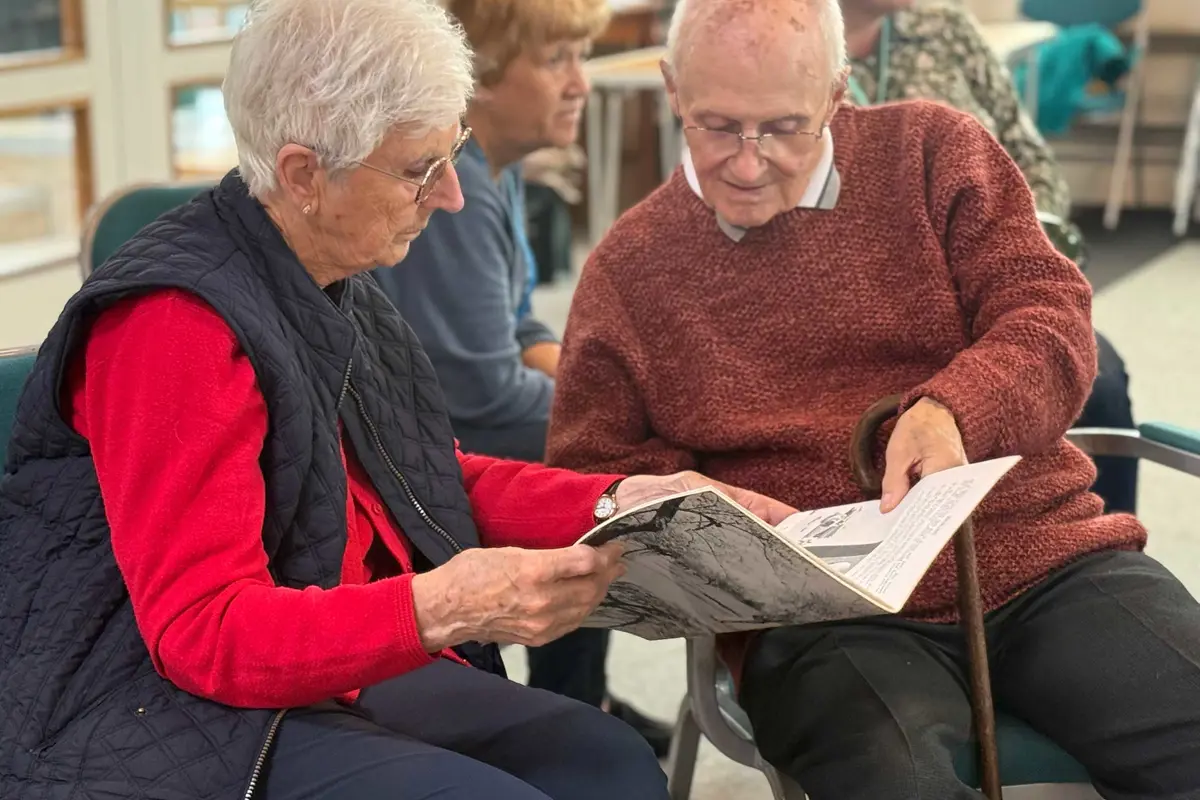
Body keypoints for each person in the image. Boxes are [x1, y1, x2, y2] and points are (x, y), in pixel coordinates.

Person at [0, 1, 797, 799]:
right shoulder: (173, 326)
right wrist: (440, 607)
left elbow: (427, 480)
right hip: (149, 701)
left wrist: (629, 500)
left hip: (315, 663)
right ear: (306, 174)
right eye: (421, 167)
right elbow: (204, 635)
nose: (451, 196)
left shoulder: (334, 274)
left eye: (452, 154)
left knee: (607, 761)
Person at [545, 0, 1200, 797]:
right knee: (897, 780)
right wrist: (694, 516)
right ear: (672, 89)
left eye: (785, 127)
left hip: (1038, 561)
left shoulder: (932, 152)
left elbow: (1051, 317)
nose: (749, 164)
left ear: (837, 91)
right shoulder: (628, 271)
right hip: (819, 624)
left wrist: (954, 408)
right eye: (717, 126)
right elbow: (591, 475)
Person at [372, 0, 674, 756]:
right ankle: (569, 708)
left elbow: (523, 330)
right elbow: (483, 393)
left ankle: (578, 695)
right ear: (477, 80)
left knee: (610, 442)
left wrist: (613, 394)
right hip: (416, 452)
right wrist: (623, 422)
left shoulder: (494, 172)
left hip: (461, 417)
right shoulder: (456, 193)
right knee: (603, 473)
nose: (581, 82)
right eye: (556, 60)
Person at [838, 0, 1138, 514]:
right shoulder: (786, 53)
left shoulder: (946, 29)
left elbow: (1031, 159)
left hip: (990, 280)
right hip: (881, 309)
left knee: (1099, 378)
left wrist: (1018, 240)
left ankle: (1101, 534)